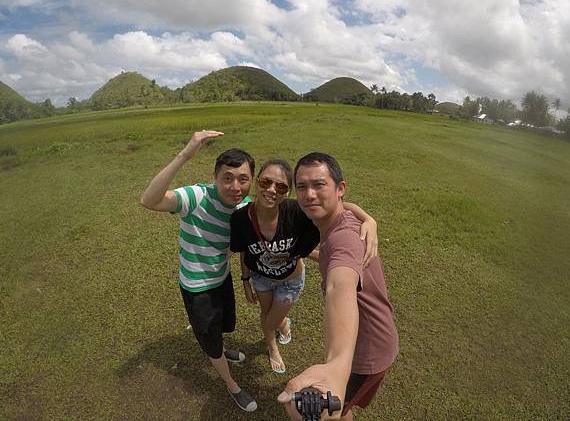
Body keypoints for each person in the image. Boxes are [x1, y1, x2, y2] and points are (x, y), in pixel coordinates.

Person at [140, 130, 258, 412]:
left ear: (251, 180)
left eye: (243, 179)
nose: (235, 186)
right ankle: (232, 385)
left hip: (222, 278)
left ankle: (220, 349)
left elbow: (284, 216)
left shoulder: (244, 208)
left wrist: (365, 220)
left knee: (223, 326)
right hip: (197, 286)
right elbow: (149, 200)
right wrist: (184, 155)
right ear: (215, 178)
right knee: (209, 338)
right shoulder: (196, 196)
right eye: (227, 179)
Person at [277, 152, 399, 420]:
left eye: (319, 185)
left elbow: (339, 287)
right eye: (302, 187)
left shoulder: (345, 237)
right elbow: (331, 254)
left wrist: (338, 365)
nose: (309, 195)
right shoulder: (340, 222)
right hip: (370, 340)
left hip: (367, 353)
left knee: (339, 410)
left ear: (340, 188)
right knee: (345, 407)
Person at [230, 159, 378, 375]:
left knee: (271, 320)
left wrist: (368, 219)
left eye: (280, 186)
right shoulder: (240, 219)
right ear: (256, 182)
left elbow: (336, 207)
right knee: (266, 313)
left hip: (289, 281)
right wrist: (245, 281)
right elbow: (244, 249)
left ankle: (281, 325)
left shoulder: (296, 212)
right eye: (265, 182)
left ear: (287, 192)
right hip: (260, 278)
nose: (271, 190)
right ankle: (272, 347)